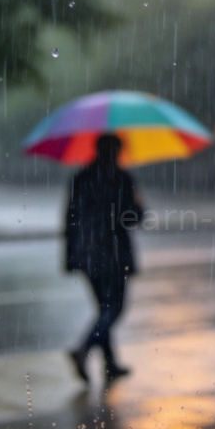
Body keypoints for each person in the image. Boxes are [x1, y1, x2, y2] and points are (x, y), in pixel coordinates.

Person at [64, 134, 144, 384]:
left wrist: (71, 255)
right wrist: (137, 205)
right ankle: (84, 347)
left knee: (103, 309)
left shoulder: (81, 178)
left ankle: (109, 363)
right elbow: (134, 218)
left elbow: (70, 218)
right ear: (117, 152)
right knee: (114, 308)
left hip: (87, 253)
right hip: (114, 252)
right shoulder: (121, 179)